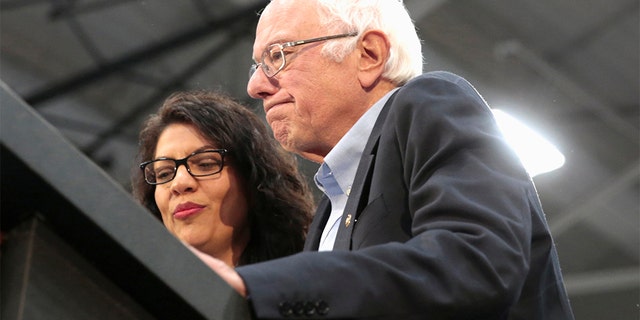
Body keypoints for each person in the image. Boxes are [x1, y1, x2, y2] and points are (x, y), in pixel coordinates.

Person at [192, 0, 576, 319]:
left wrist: (258, 287)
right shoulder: (326, 214)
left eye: (278, 55)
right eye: (258, 64)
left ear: (369, 54)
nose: (255, 85)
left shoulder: (430, 102)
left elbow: (474, 262)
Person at [131, 90, 314, 267]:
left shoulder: (308, 284)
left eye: (205, 164)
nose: (179, 183)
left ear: (253, 178)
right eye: (164, 174)